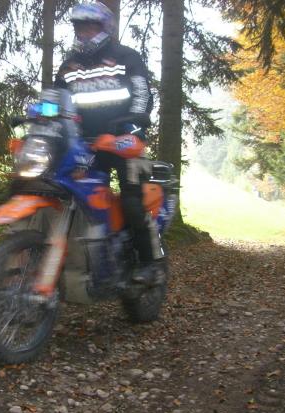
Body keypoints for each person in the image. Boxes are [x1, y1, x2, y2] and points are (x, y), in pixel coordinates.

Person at [54, 1, 163, 285]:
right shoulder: (69, 66)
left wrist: (134, 128)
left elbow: (142, 95)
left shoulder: (126, 57)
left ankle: (149, 262)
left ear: (105, 28)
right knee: (67, 192)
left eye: (90, 26)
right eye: (79, 27)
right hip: (85, 145)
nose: (84, 32)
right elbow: (57, 100)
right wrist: (46, 121)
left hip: (123, 141)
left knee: (131, 200)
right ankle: (81, 259)